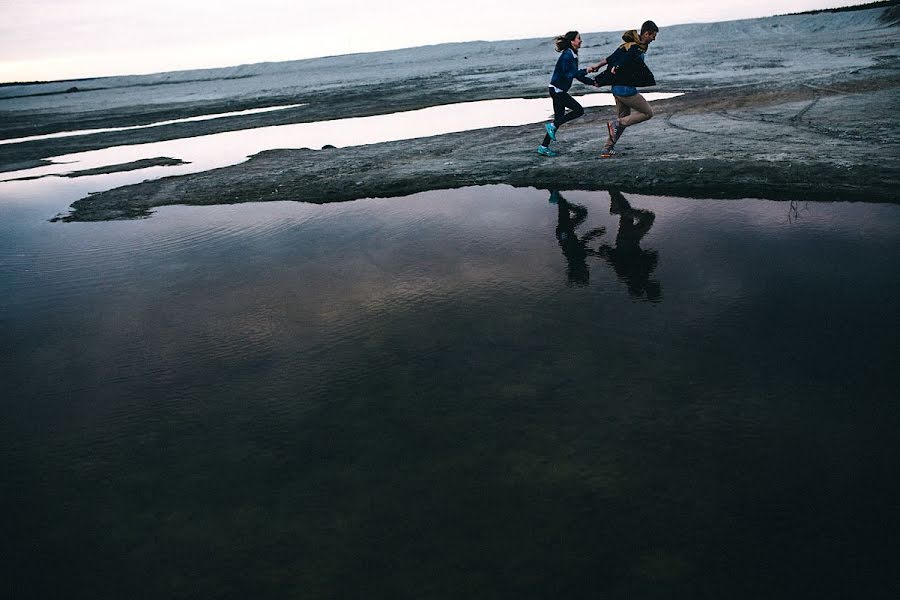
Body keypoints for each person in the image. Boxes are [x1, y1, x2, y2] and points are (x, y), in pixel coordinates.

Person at [587, 20, 659, 158]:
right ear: (646, 33)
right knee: (647, 113)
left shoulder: (627, 45)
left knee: (623, 120)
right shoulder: (635, 48)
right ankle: (616, 124)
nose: (654, 39)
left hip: (617, 89)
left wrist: (597, 66)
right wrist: (617, 66)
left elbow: (610, 58)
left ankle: (607, 149)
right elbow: (624, 59)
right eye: (653, 35)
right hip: (626, 90)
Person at [537, 31, 596, 157]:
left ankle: (543, 147)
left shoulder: (573, 54)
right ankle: (553, 126)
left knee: (558, 118)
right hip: (557, 90)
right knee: (579, 110)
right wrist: (586, 70)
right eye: (578, 38)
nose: (581, 41)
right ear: (572, 41)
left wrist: (592, 82)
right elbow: (570, 74)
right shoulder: (568, 55)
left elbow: (575, 74)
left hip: (557, 90)